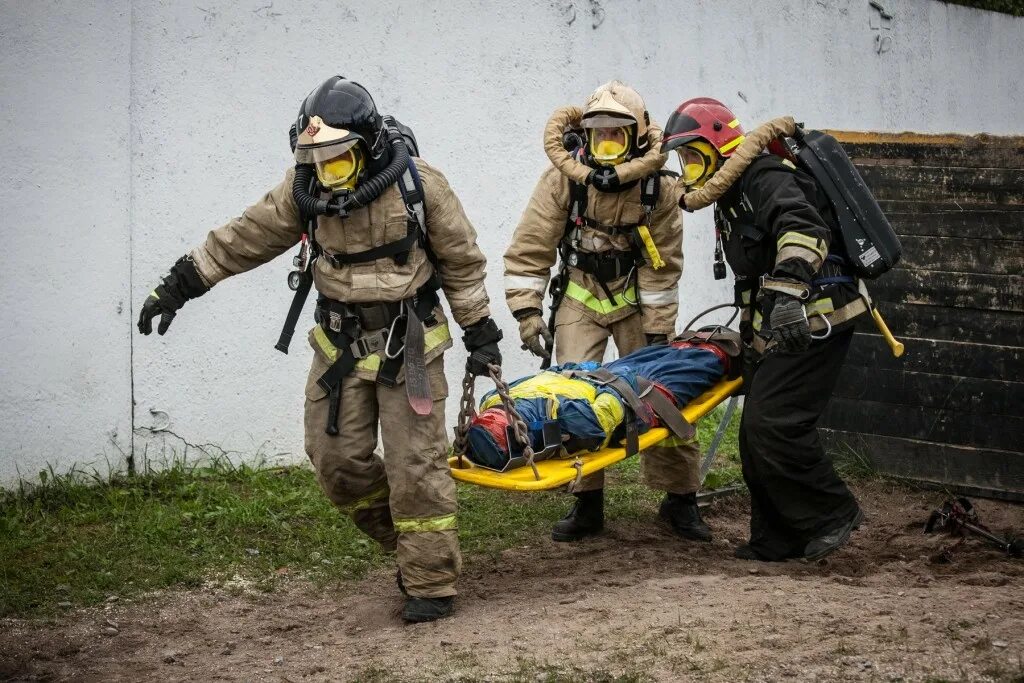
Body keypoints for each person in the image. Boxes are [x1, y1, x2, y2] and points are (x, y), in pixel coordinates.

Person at [137, 76, 502, 622]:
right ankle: (406, 550)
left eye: (339, 160)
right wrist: (180, 284)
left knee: (414, 467)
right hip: (341, 347)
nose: (329, 174)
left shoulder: (421, 187)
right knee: (335, 463)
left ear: (369, 145)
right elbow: (242, 237)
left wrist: (481, 334)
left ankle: (431, 582)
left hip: (411, 347)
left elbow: (462, 264)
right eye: (318, 160)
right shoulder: (301, 191)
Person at [504, 81, 710, 544]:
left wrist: (658, 334)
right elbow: (530, 248)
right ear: (587, 137)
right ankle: (587, 503)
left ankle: (680, 500)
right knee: (570, 395)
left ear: (637, 138)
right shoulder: (564, 178)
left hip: (637, 301)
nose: (607, 148)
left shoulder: (660, 187)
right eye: (599, 137)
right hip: (580, 297)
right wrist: (527, 312)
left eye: (617, 137)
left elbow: (665, 267)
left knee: (662, 394)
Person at [661, 97, 864, 561]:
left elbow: (804, 227)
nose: (687, 167)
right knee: (754, 435)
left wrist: (791, 288)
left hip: (817, 317)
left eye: (692, 155)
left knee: (776, 423)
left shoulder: (763, 175)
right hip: (778, 325)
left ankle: (831, 512)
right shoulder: (730, 192)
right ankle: (777, 539)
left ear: (718, 145)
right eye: (682, 159)